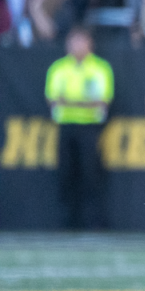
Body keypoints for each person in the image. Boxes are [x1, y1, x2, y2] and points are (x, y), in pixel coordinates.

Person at [45, 26, 113, 229]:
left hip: (89, 128)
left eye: (81, 41)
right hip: (65, 127)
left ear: (89, 44)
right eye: (73, 41)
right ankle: (66, 223)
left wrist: (71, 103)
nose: (77, 46)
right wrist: (84, 103)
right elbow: (53, 101)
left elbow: (102, 103)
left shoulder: (100, 68)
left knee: (90, 176)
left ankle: (92, 223)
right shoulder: (58, 68)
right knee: (65, 175)